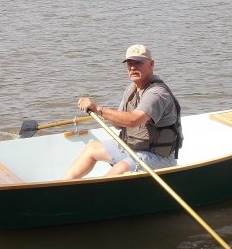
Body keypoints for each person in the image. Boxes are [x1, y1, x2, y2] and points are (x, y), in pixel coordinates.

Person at [61, 44, 182, 179]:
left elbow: (133, 120)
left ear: (151, 64)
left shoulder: (157, 93)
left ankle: (94, 194)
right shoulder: (131, 89)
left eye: (138, 63)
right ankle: (60, 186)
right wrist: (100, 112)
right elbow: (119, 125)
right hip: (133, 149)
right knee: (92, 148)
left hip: (159, 157)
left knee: (121, 167)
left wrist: (98, 109)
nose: (133, 67)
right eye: (129, 63)